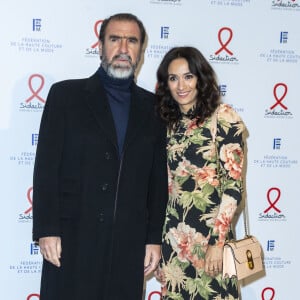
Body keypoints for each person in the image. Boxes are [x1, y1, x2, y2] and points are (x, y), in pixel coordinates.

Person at [32, 13, 168, 300]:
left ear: (140, 50)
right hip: (72, 238)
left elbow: (156, 182)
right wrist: (47, 229)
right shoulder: (65, 96)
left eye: (132, 40)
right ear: (100, 45)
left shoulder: (153, 108)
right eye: (115, 39)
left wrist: (153, 238)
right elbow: (46, 168)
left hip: (127, 244)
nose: (123, 48)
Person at [155, 46, 245, 299]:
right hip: (173, 243)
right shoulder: (166, 125)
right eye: (173, 78)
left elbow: (232, 188)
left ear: (200, 79)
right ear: (166, 84)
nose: (181, 85)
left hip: (211, 243)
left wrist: (217, 243)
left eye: (188, 76)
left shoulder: (224, 117)